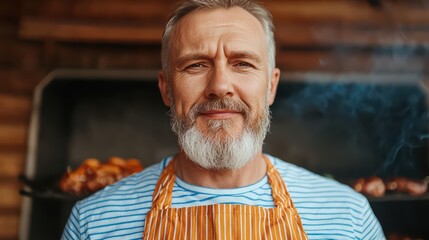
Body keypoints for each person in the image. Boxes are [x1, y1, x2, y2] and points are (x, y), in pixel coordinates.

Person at [62, 0, 386, 239]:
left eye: (243, 64)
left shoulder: (348, 218)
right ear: (166, 89)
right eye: (196, 65)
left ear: (271, 86)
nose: (219, 86)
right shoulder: (94, 223)